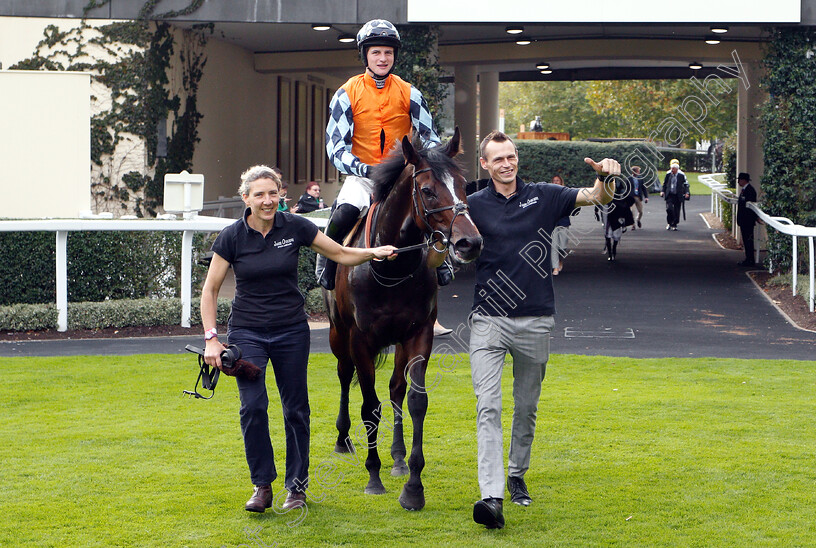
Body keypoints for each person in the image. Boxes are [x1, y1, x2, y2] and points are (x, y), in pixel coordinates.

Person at [199, 165, 396, 514]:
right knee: (253, 407)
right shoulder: (232, 237)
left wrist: (373, 252)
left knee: (296, 410)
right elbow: (210, 290)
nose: (267, 200)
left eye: (273, 193)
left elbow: (338, 253)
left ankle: (297, 487)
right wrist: (212, 339)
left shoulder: (296, 227)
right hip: (247, 333)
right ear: (246, 198)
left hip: (291, 331)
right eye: (259, 194)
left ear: (281, 196)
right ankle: (262, 486)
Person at [467, 130, 618, 529]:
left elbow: (596, 198)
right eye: (497, 159)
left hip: (535, 318)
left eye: (511, 156)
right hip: (487, 320)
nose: (506, 163)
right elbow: (442, 245)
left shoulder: (544, 195)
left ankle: (516, 473)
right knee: (488, 407)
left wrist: (605, 176)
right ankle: (492, 496)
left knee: (526, 406)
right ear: (485, 165)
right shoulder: (471, 206)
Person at [319, 18, 441, 291]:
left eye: (388, 52)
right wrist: (364, 169)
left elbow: (431, 137)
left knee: (433, 209)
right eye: (376, 52)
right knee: (345, 212)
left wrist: (426, 163)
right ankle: (326, 262)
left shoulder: (411, 93)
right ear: (365, 55)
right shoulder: (345, 93)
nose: (383, 58)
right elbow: (335, 147)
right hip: (364, 176)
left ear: (395, 55)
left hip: (403, 177)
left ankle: (442, 264)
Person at [604, 176, 635, 261]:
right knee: (608, 235)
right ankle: (611, 252)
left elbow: (630, 200)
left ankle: (612, 251)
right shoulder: (608, 190)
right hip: (611, 215)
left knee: (614, 236)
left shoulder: (621, 192)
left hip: (617, 216)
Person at [736, 172, 758, 266]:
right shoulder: (744, 190)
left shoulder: (750, 191)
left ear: (744, 180)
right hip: (744, 220)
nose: (738, 182)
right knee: (746, 240)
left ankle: (750, 260)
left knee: (748, 240)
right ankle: (748, 258)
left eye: (739, 180)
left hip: (747, 220)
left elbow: (749, 206)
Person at [660, 158, 689, 230]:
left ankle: (674, 224)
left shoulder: (681, 175)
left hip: (677, 195)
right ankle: (669, 222)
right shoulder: (668, 174)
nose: (672, 170)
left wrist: (687, 192)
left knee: (676, 210)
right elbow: (665, 183)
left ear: (677, 169)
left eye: (673, 169)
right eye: (671, 168)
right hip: (670, 194)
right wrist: (663, 191)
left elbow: (686, 184)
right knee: (669, 209)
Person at [549, 174, 570, 274]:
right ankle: (555, 267)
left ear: (561, 182)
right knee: (553, 246)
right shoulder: (549, 194)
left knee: (562, 247)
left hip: (564, 222)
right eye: (554, 180)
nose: (556, 182)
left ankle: (560, 260)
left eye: (557, 180)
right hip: (552, 223)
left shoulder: (566, 193)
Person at [629, 165, 648, 229]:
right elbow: (626, 189)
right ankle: (633, 224)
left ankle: (638, 219)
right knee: (632, 211)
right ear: (634, 172)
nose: (639, 172)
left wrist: (646, 197)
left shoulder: (640, 179)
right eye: (638, 171)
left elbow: (643, 188)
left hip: (638, 197)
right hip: (631, 197)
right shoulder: (629, 179)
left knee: (640, 211)